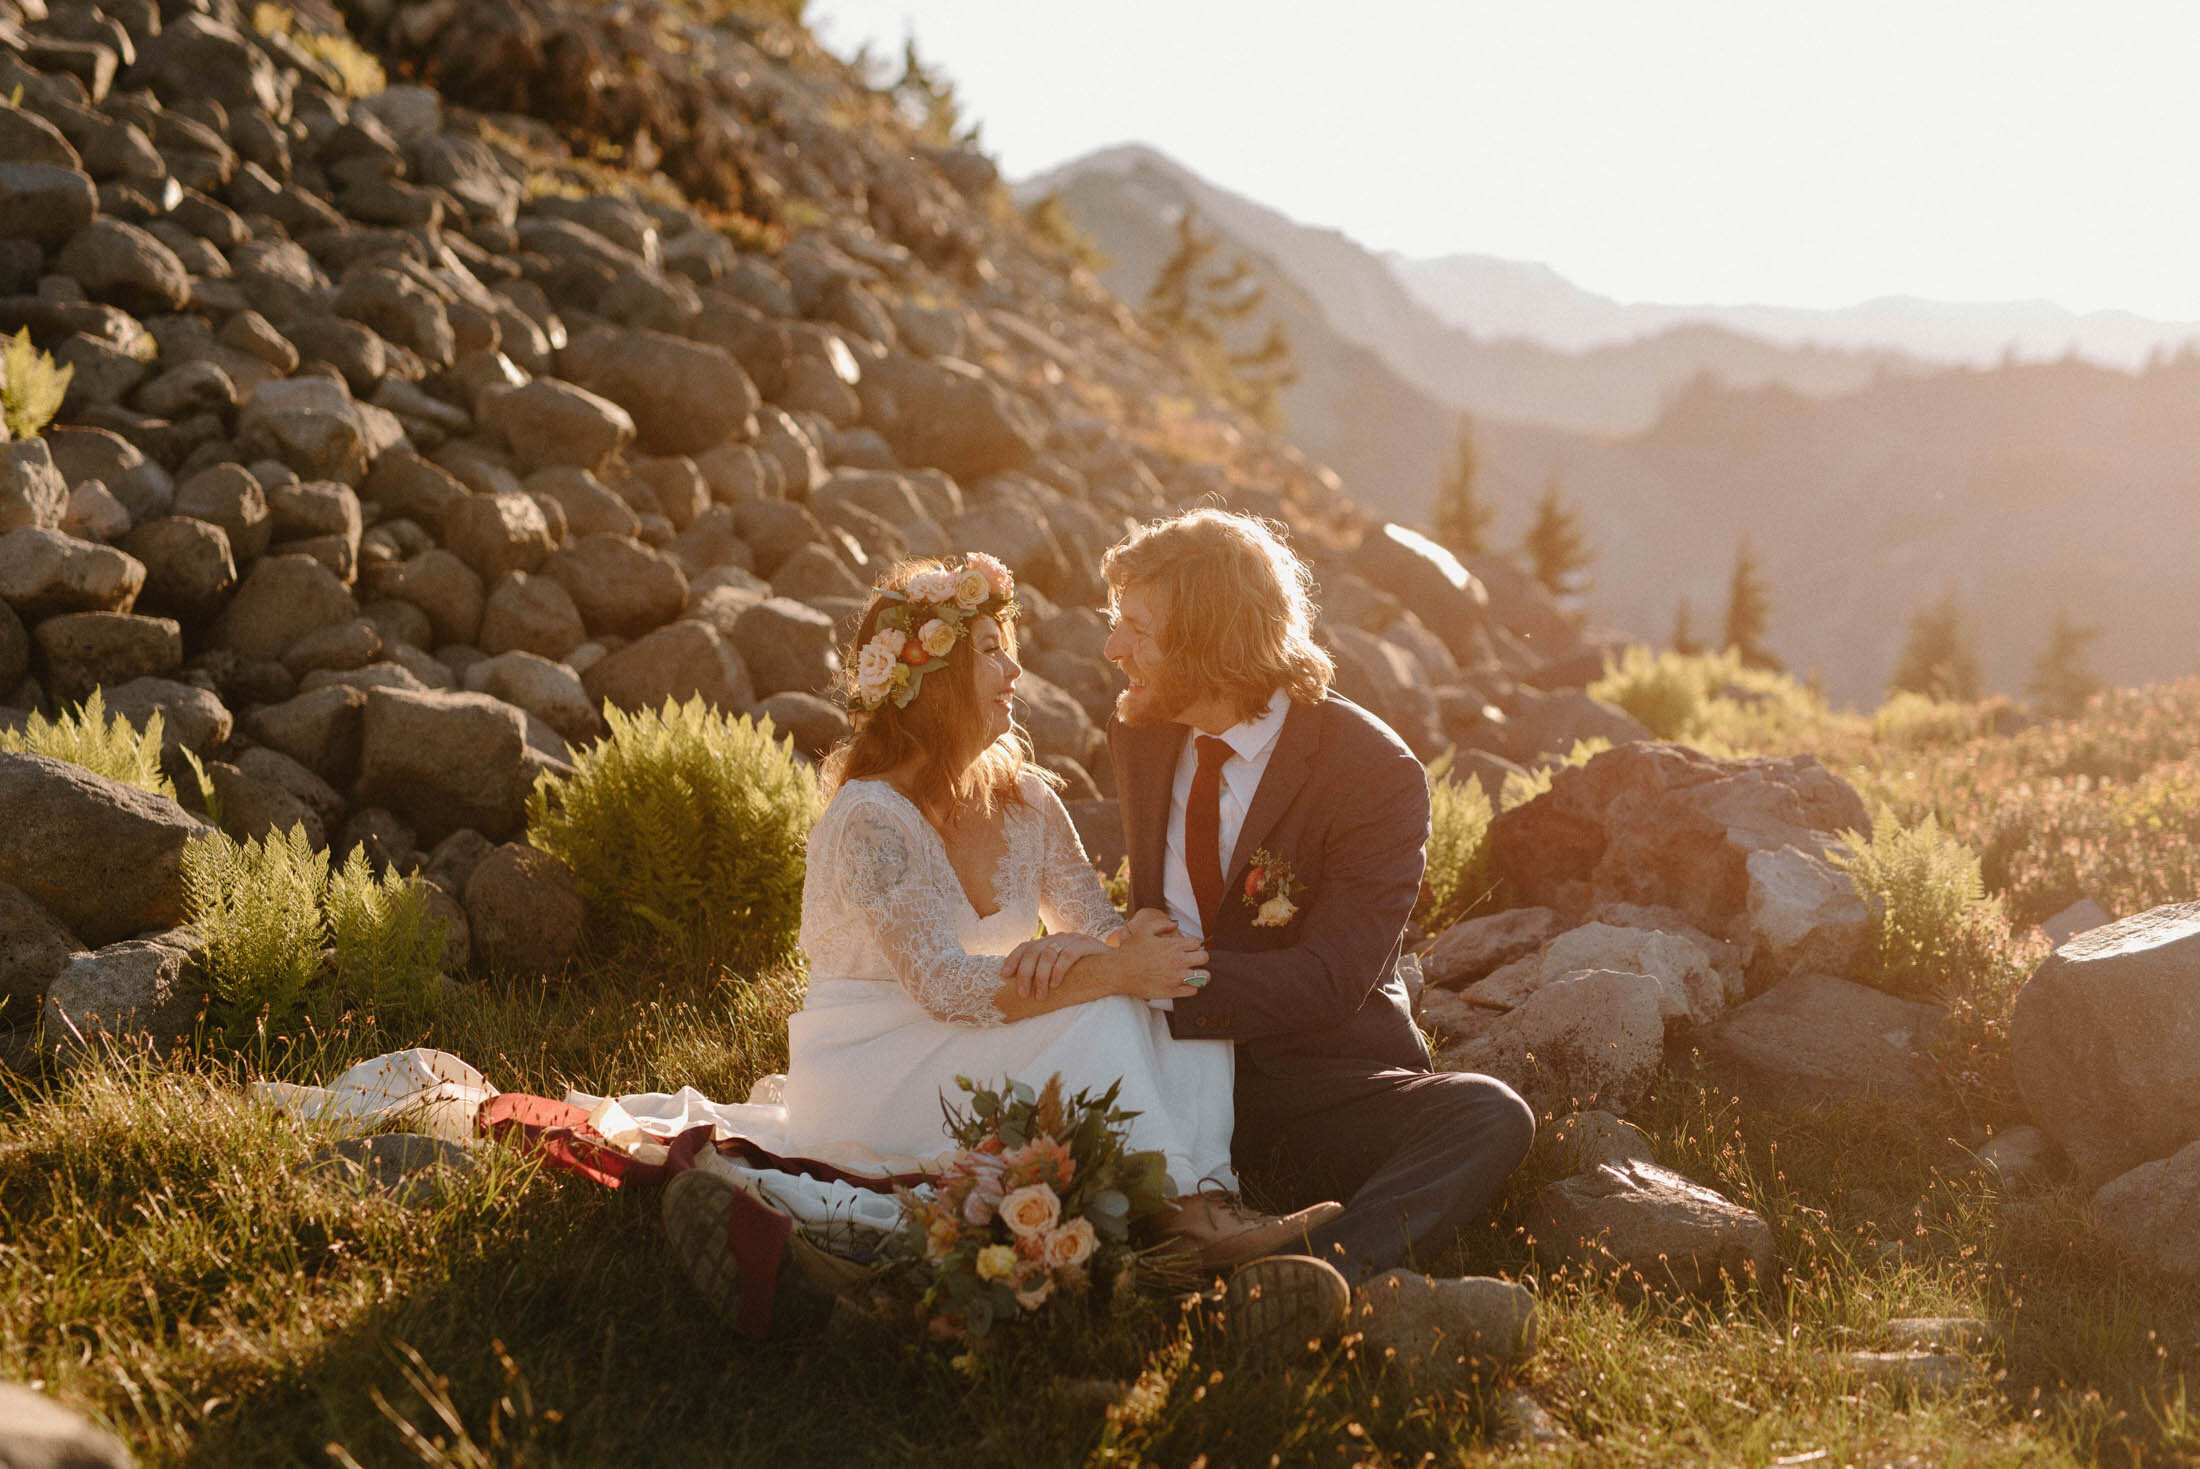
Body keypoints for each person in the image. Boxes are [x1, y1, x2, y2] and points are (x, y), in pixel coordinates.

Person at [665, 552, 1338, 1305]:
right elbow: (946, 985)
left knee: (1180, 985)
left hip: (979, 1036)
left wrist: (1125, 944)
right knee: (1109, 1001)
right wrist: (1104, 970)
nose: (1016, 671)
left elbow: (1103, 929)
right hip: (879, 1058)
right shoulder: (869, 819)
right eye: (991, 652)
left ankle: (1208, 1196)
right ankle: (1185, 1221)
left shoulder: (1029, 801)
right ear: (932, 680)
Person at [1011, 508, 1535, 1337]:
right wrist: (1113, 966)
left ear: (1208, 639)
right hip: (1155, 1062)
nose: (1114, 650)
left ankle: (1312, 1282)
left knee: (1490, 1112)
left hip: (1300, 1081)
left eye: (1138, 629)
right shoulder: (1140, 729)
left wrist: (1166, 980)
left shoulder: (1373, 774)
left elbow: (1333, 977)